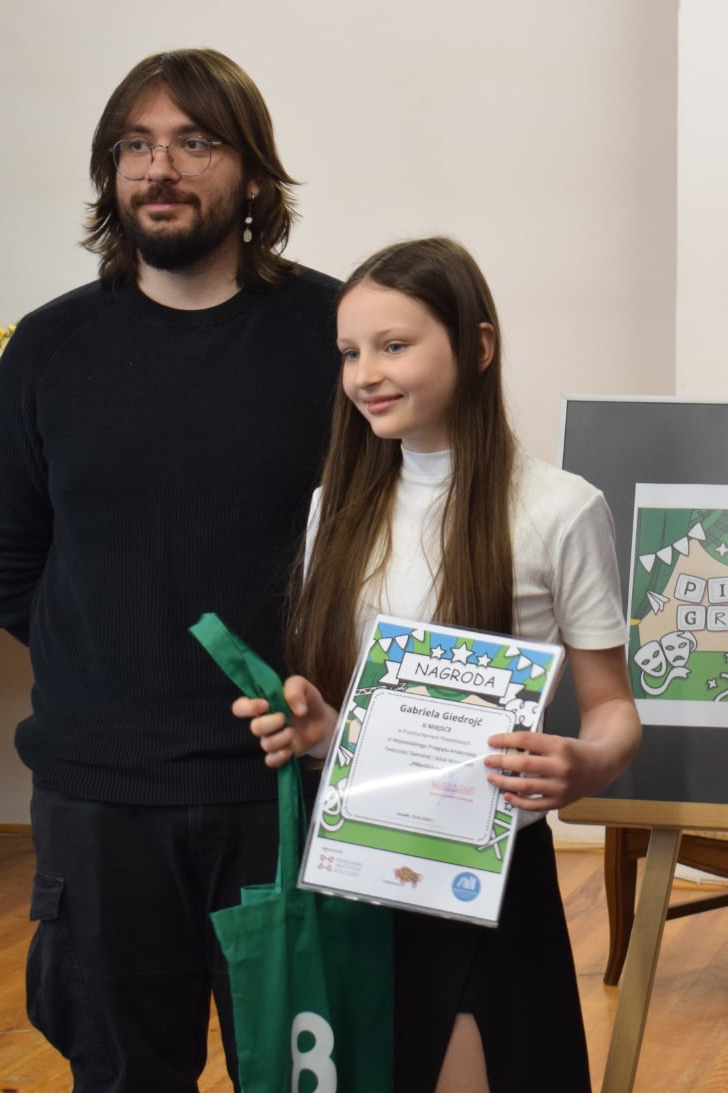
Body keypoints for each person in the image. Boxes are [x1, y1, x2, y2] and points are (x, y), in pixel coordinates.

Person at [0, 49, 342, 1092]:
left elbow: (393, 538)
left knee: (313, 1078)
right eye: (135, 145)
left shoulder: (332, 335)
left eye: (193, 142)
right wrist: (106, 657)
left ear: (252, 175)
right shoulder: (50, 347)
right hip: (103, 799)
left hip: (289, 786)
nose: (158, 168)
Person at [233, 236, 642, 1093]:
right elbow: (351, 712)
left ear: (478, 346)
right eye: (350, 351)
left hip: (485, 876)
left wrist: (586, 762)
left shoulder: (561, 509)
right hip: (355, 868)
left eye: (394, 345)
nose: (366, 374)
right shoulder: (333, 508)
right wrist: (313, 725)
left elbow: (612, 707)